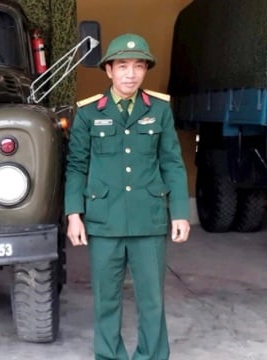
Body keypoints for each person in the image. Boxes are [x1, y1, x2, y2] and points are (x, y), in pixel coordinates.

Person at [65, 33, 191, 360]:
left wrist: (179, 212)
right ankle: (109, 356)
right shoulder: (89, 114)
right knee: (106, 300)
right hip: (104, 221)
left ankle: (152, 356)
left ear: (145, 70)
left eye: (138, 66)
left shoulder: (160, 110)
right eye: (122, 66)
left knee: (152, 300)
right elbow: (76, 166)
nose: (130, 73)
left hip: (148, 219)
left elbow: (173, 164)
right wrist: (74, 214)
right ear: (108, 70)